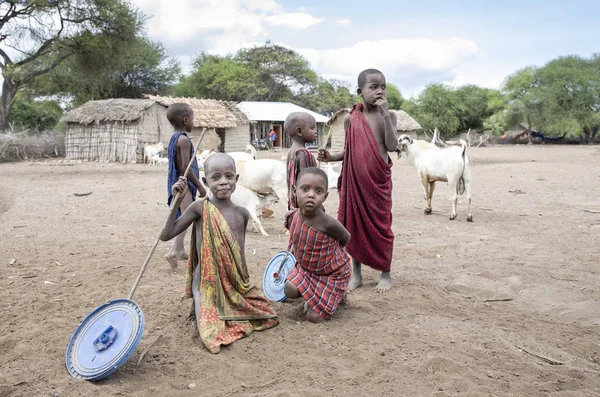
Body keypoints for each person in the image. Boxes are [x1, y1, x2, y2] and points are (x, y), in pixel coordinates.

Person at [160, 153, 278, 353]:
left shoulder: (242, 213)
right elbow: (166, 235)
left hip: (234, 284)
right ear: (205, 182)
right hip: (206, 284)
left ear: (236, 179)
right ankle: (203, 307)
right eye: (216, 178)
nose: (223, 182)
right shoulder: (199, 208)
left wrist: (241, 286)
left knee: (267, 314)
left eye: (228, 176)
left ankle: (224, 308)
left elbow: (238, 255)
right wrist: (176, 202)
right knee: (211, 334)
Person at [318, 69, 398, 292]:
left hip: (378, 183)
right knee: (353, 225)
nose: (380, 91)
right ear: (360, 92)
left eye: (383, 87)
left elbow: (392, 146)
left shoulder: (389, 116)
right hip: (355, 183)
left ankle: (385, 273)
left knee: (382, 227)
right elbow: (349, 150)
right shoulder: (351, 118)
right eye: (374, 87)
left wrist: (385, 114)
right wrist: (331, 156)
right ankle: (357, 274)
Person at [284, 167, 351, 323]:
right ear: (295, 190)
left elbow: (345, 238)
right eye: (305, 189)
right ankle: (316, 294)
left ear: (325, 196)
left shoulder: (328, 223)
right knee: (289, 290)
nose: (311, 195)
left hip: (332, 274)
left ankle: (338, 292)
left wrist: (331, 254)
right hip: (307, 270)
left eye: (318, 191)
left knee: (314, 318)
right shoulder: (293, 216)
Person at [164, 103, 206, 269]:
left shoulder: (175, 137)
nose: (193, 123)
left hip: (177, 182)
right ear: (186, 119)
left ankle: (180, 249)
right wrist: (200, 185)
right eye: (193, 119)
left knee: (185, 215)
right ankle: (174, 251)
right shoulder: (183, 140)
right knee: (187, 216)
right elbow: (185, 168)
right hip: (184, 185)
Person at [284, 112, 318, 210]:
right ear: (299, 131)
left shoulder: (292, 151)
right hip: (306, 204)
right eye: (312, 128)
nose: (316, 131)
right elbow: (307, 183)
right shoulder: (303, 153)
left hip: (295, 202)